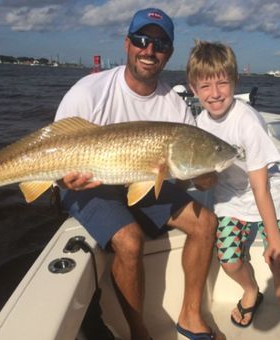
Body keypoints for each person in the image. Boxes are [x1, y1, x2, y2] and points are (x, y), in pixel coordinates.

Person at [55, 9, 218, 340]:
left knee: (206, 223)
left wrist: (204, 176)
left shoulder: (173, 105)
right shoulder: (89, 91)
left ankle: (190, 315)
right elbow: (56, 153)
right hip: (87, 184)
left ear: (168, 53)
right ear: (128, 44)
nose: (149, 50)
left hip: (141, 182)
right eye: (142, 40)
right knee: (129, 241)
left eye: (159, 43)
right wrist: (62, 179)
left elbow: (191, 170)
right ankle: (139, 331)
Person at [187, 40, 280, 327]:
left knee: (278, 261)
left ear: (235, 82)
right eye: (205, 86)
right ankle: (251, 290)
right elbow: (203, 183)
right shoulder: (200, 125)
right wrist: (201, 179)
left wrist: (274, 237)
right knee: (229, 261)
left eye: (223, 83)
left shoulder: (247, 121)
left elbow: (260, 187)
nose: (215, 94)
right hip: (230, 200)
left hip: (269, 197)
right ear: (193, 89)